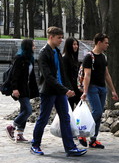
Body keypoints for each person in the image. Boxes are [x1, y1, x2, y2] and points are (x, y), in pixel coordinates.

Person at [31, 26, 87, 156]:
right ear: (51, 37)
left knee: (65, 118)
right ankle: (35, 144)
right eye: (59, 38)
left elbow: (62, 73)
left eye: (62, 37)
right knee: (43, 118)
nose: (61, 40)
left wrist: (68, 89)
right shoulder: (43, 53)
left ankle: (70, 148)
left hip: (60, 92)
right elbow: (48, 77)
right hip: (49, 91)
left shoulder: (57, 51)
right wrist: (64, 90)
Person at [79, 33, 119, 149]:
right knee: (96, 112)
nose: (108, 45)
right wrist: (85, 92)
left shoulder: (103, 57)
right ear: (99, 42)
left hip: (102, 88)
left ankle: (93, 139)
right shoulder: (89, 57)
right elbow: (87, 75)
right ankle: (82, 133)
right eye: (105, 42)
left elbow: (107, 75)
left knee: (99, 114)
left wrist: (113, 90)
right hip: (92, 88)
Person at [5, 39, 39, 142]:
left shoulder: (30, 59)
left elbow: (31, 76)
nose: (35, 47)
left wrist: (34, 89)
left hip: (27, 89)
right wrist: (15, 88)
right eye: (33, 45)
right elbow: (14, 75)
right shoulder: (19, 58)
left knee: (23, 110)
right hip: (19, 89)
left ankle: (19, 134)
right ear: (28, 46)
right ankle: (12, 126)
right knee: (28, 110)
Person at [62, 37, 81, 110]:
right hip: (70, 88)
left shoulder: (74, 58)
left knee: (80, 107)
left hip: (76, 87)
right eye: (74, 44)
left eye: (77, 44)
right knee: (70, 108)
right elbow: (65, 75)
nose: (76, 46)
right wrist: (69, 88)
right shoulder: (65, 58)